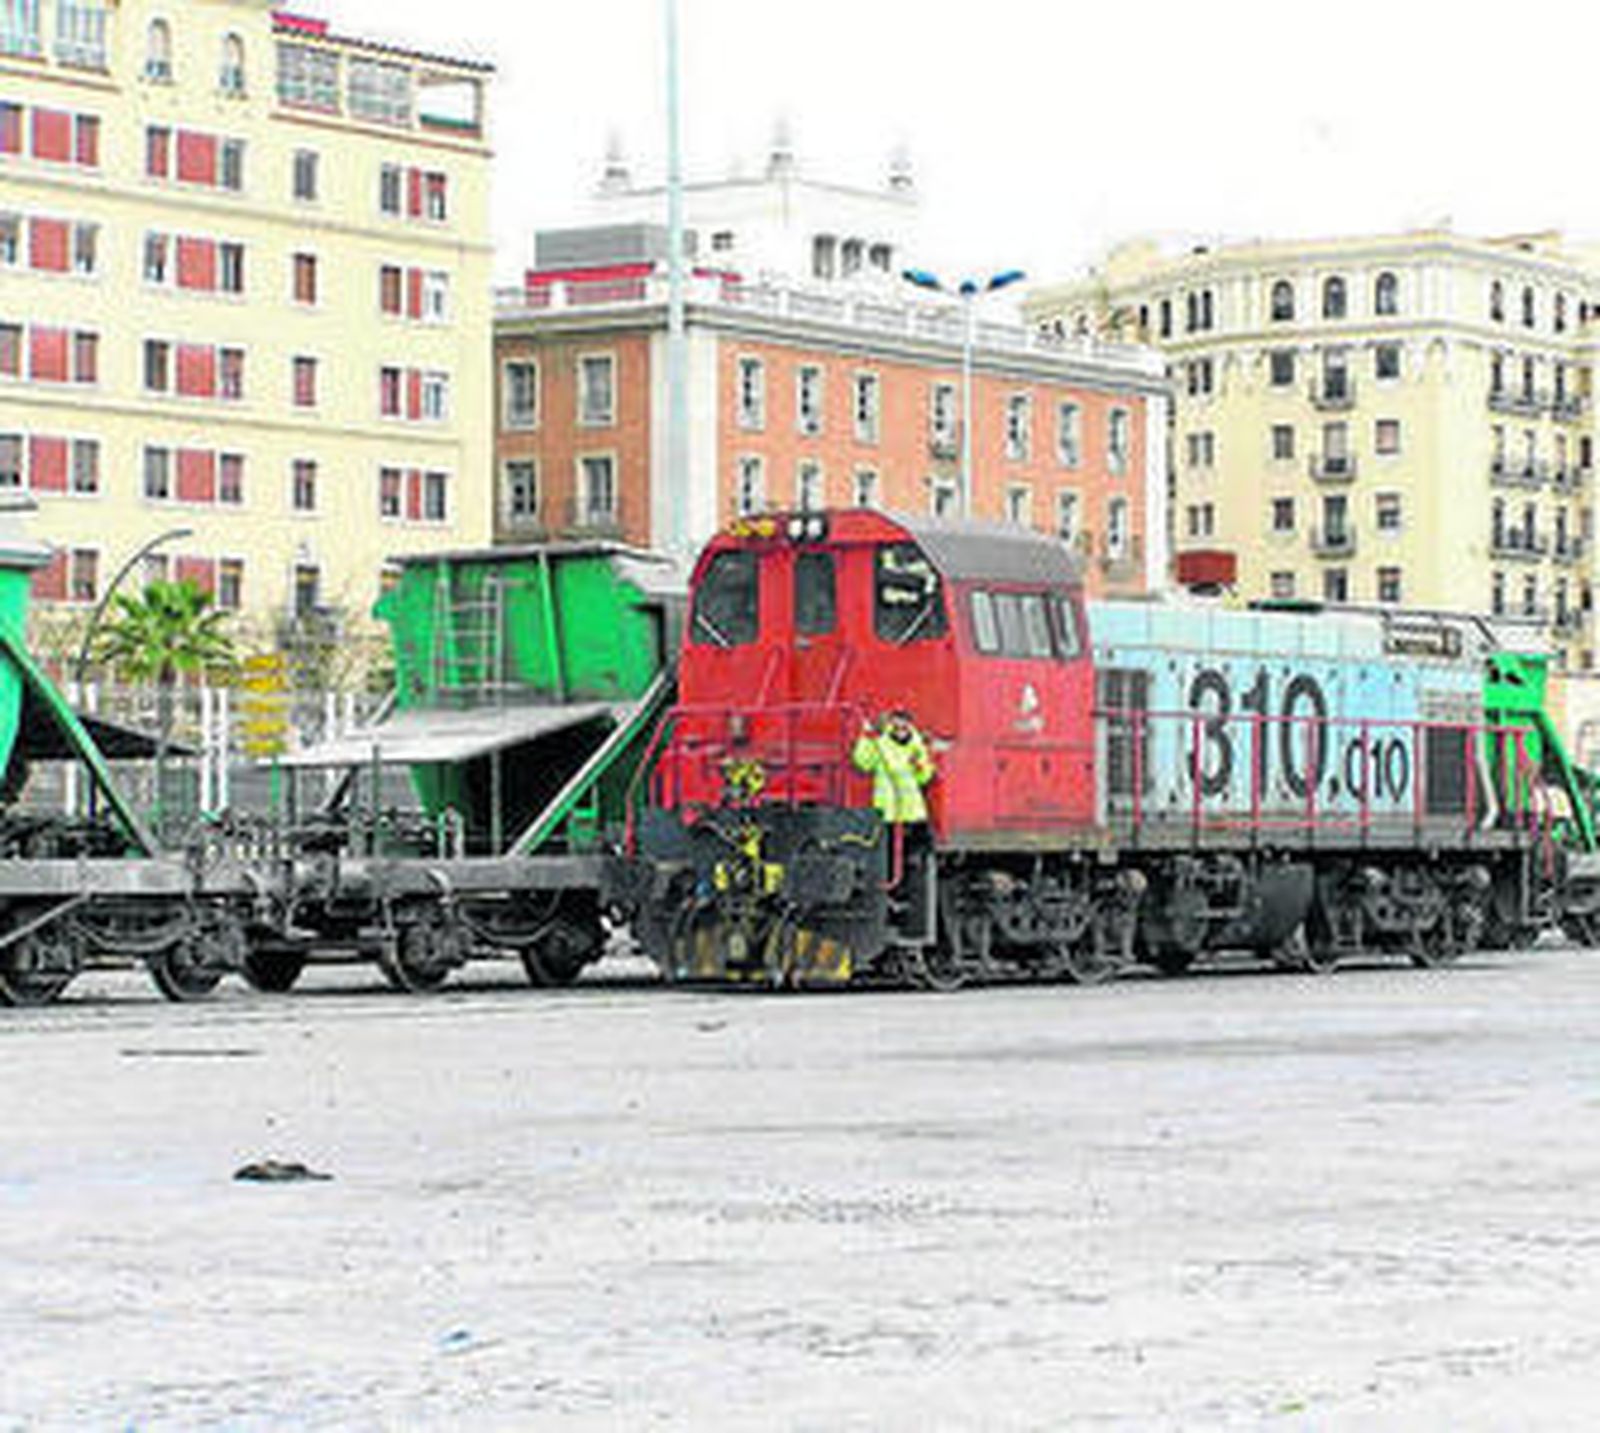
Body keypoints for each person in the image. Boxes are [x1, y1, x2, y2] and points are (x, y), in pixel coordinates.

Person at [852, 708, 935, 825]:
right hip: (887, 812)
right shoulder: (880, 745)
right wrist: (866, 737)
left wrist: (919, 766)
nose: (900, 731)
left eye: (904, 727)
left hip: (913, 813)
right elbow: (862, 762)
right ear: (890, 727)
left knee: (918, 842)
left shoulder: (916, 746)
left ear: (910, 727)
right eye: (896, 727)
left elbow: (924, 778)